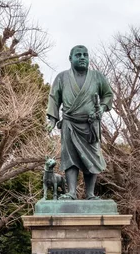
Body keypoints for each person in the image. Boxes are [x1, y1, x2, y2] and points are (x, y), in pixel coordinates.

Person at [47, 45, 114, 200]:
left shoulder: (97, 77)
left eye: (85, 55)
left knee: (93, 157)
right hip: (69, 123)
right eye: (78, 55)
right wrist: (52, 121)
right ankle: (71, 192)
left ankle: (90, 194)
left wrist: (102, 109)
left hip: (91, 124)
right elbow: (54, 99)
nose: (82, 57)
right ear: (70, 59)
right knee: (70, 157)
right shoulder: (62, 77)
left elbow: (108, 95)